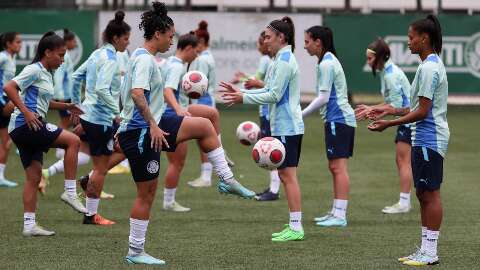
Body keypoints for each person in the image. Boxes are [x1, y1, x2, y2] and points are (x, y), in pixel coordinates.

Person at [119, 2, 254, 265]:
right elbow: (136, 94)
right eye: (170, 35)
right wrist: (152, 125)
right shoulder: (145, 59)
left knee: (205, 124)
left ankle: (226, 179)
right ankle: (135, 251)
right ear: (157, 34)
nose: (173, 40)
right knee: (145, 194)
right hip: (142, 131)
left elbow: (131, 95)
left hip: (144, 126)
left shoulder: (140, 56)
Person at [368, 15, 448, 266]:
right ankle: (425, 249)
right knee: (423, 193)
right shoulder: (427, 65)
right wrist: (388, 111)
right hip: (423, 136)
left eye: (411, 37)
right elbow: (414, 107)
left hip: (430, 137)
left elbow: (423, 112)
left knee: (430, 194)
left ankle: (430, 252)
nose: (408, 42)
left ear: (425, 38)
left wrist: (389, 124)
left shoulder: (429, 68)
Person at [221, 17, 305, 242]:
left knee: (288, 176)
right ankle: (294, 225)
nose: (265, 41)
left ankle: (296, 228)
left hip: (288, 127)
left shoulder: (285, 60)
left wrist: (243, 97)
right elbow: (268, 89)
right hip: (283, 125)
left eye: (268, 37)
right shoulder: (279, 58)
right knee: (286, 175)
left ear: (281, 37)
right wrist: (240, 92)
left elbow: (274, 95)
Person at [4, 32, 85, 236]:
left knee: (33, 177)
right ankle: (70, 192)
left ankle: (29, 225)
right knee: (73, 141)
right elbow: (9, 87)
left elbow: (43, 102)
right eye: (60, 54)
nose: (63, 59)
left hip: (24, 127)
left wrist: (66, 105)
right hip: (26, 125)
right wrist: (26, 112)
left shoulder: (46, 74)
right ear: (47, 53)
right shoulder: (34, 69)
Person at [77, 11, 131, 225]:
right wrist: (116, 115)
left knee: (121, 149)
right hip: (100, 119)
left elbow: (76, 76)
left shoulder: (97, 54)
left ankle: (87, 187)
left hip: (91, 116)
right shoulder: (110, 59)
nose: (128, 43)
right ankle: (91, 215)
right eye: (126, 39)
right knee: (101, 168)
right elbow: (101, 89)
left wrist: (77, 107)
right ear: (116, 38)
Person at [302, 26, 356, 228]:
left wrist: (301, 114)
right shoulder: (327, 61)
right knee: (335, 167)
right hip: (337, 120)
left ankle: (340, 215)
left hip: (338, 119)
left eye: (307, 41)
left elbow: (323, 98)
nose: (305, 46)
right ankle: (335, 211)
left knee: (338, 167)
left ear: (318, 42)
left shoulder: (327, 63)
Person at [355, 38, 413, 214]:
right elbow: (391, 104)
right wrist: (378, 111)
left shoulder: (390, 75)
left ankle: (404, 203)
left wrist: (371, 108)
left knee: (403, 160)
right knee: (403, 160)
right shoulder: (387, 72)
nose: (368, 61)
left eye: (370, 58)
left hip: (410, 119)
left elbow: (396, 107)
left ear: (380, 57)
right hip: (408, 117)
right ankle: (405, 200)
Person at [231, 31, 281, 201]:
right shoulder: (271, 60)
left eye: (263, 41)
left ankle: (274, 190)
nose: (261, 45)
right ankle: (273, 188)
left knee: (269, 149)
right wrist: (245, 78)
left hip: (268, 110)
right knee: (269, 148)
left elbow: (265, 85)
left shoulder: (266, 60)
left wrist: (244, 80)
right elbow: (260, 82)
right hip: (265, 109)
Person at [188, 20, 235, 188]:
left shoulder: (201, 60)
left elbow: (196, 85)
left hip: (202, 100)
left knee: (202, 139)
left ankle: (206, 176)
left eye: (195, 43)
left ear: (201, 43)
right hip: (209, 100)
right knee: (205, 138)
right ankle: (218, 158)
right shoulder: (210, 57)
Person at [52, 29, 78, 159]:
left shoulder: (66, 55)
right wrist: (61, 96)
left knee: (67, 121)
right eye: (73, 41)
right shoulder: (64, 56)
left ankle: (61, 145)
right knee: (66, 121)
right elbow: (59, 76)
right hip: (63, 95)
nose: (75, 44)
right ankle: (59, 147)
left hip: (67, 94)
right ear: (67, 42)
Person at [0, 31, 21, 187]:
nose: (20, 45)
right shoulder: (3, 57)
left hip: (6, 102)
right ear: (8, 44)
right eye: (17, 42)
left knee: (6, 142)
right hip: (2, 103)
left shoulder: (11, 58)